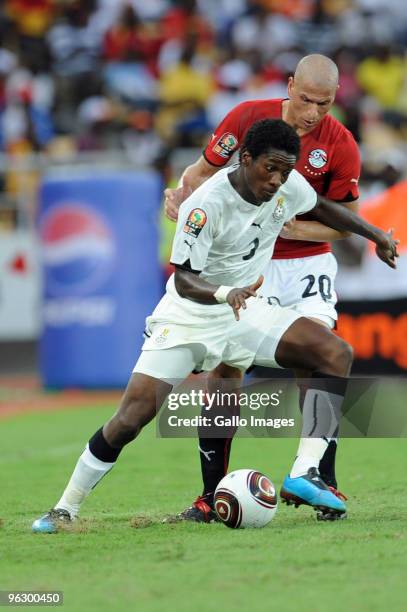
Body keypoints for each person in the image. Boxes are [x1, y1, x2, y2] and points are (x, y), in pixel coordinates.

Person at [32, 119, 397, 533]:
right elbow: (185, 279)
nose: (277, 180)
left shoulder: (285, 181)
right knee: (131, 417)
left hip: (243, 311)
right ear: (245, 159)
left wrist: (374, 235)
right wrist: (227, 294)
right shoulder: (204, 205)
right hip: (190, 315)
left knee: (335, 352)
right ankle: (64, 508)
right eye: (270, 169)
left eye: (284, 171)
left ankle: (306, 470)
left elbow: (320, 205)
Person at [164, 54, 363, 521]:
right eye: (306, 99)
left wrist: (294, 230)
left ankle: (318, 478)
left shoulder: (341, 144)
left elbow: (343, 225)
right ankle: (209, 496)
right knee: (227, 374)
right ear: (290, 86)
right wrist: (181, 192)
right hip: (247, 266)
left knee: (318, 361)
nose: (314, 112)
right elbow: (200, 172)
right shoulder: (248, 117)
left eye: (325, 104)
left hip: (307, 267)